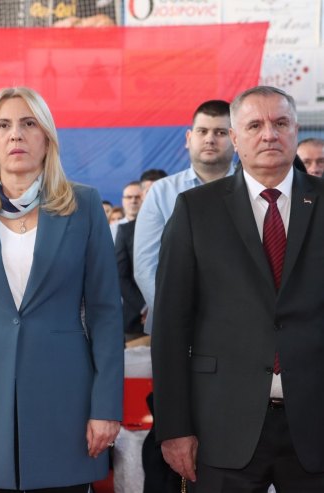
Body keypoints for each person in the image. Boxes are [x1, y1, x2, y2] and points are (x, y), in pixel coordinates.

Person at [0, 86, 123, 491]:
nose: (16, 134)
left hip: (65, 396)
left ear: (47, 139)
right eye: (4, 125)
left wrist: (106, 406)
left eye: (28, 123)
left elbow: (105, 312)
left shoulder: (83, 204)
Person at [152, 86, 324, 491]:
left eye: (280, 123)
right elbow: (171, 326)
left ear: (296, 131)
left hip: (316, 423)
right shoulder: (195, 209)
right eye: (255, 125)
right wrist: (174, 427)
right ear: (235, 137)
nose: (269, 134)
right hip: (222, 424)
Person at [134, 100, 235, 336]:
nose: (210, 139)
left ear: (236, 139)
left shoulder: (252, 190)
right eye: (202, 131)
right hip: (175, 327)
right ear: (189, 138)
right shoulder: (161, 192)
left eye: (220, 132)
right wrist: (176, 315)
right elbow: (145, 265)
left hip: (240, 325)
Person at [114, 169, 166, 343]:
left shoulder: (183, 224)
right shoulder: (125, 230)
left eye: (157, 190)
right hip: (137, 320)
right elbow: (120, 276)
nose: (153, 196)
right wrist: (146, 307)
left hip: (179, 317)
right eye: (148, 191)